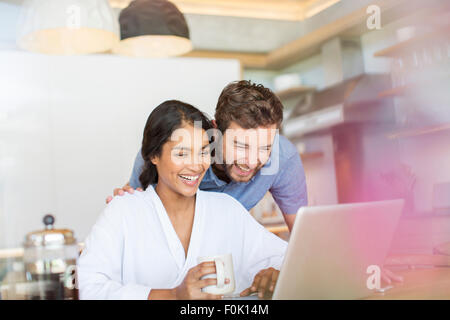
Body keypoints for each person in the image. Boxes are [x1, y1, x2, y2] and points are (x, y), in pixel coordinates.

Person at [77, 100, 287, 300]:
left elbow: (288, 259)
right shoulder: (123, 211)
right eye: (182, 153)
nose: (196, 166)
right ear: (153, 155)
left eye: (204, 152)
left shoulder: (226, 210)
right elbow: (90, 288)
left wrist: (276, 274)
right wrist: (174, 295)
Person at [107, 80, 307, 232]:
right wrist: (125, 203)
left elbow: (303, 235)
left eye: (264, 148)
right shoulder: (171, 156)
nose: (251, 161)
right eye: (240, 145)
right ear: (215, 132)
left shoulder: (283, 157)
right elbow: (133, 213)